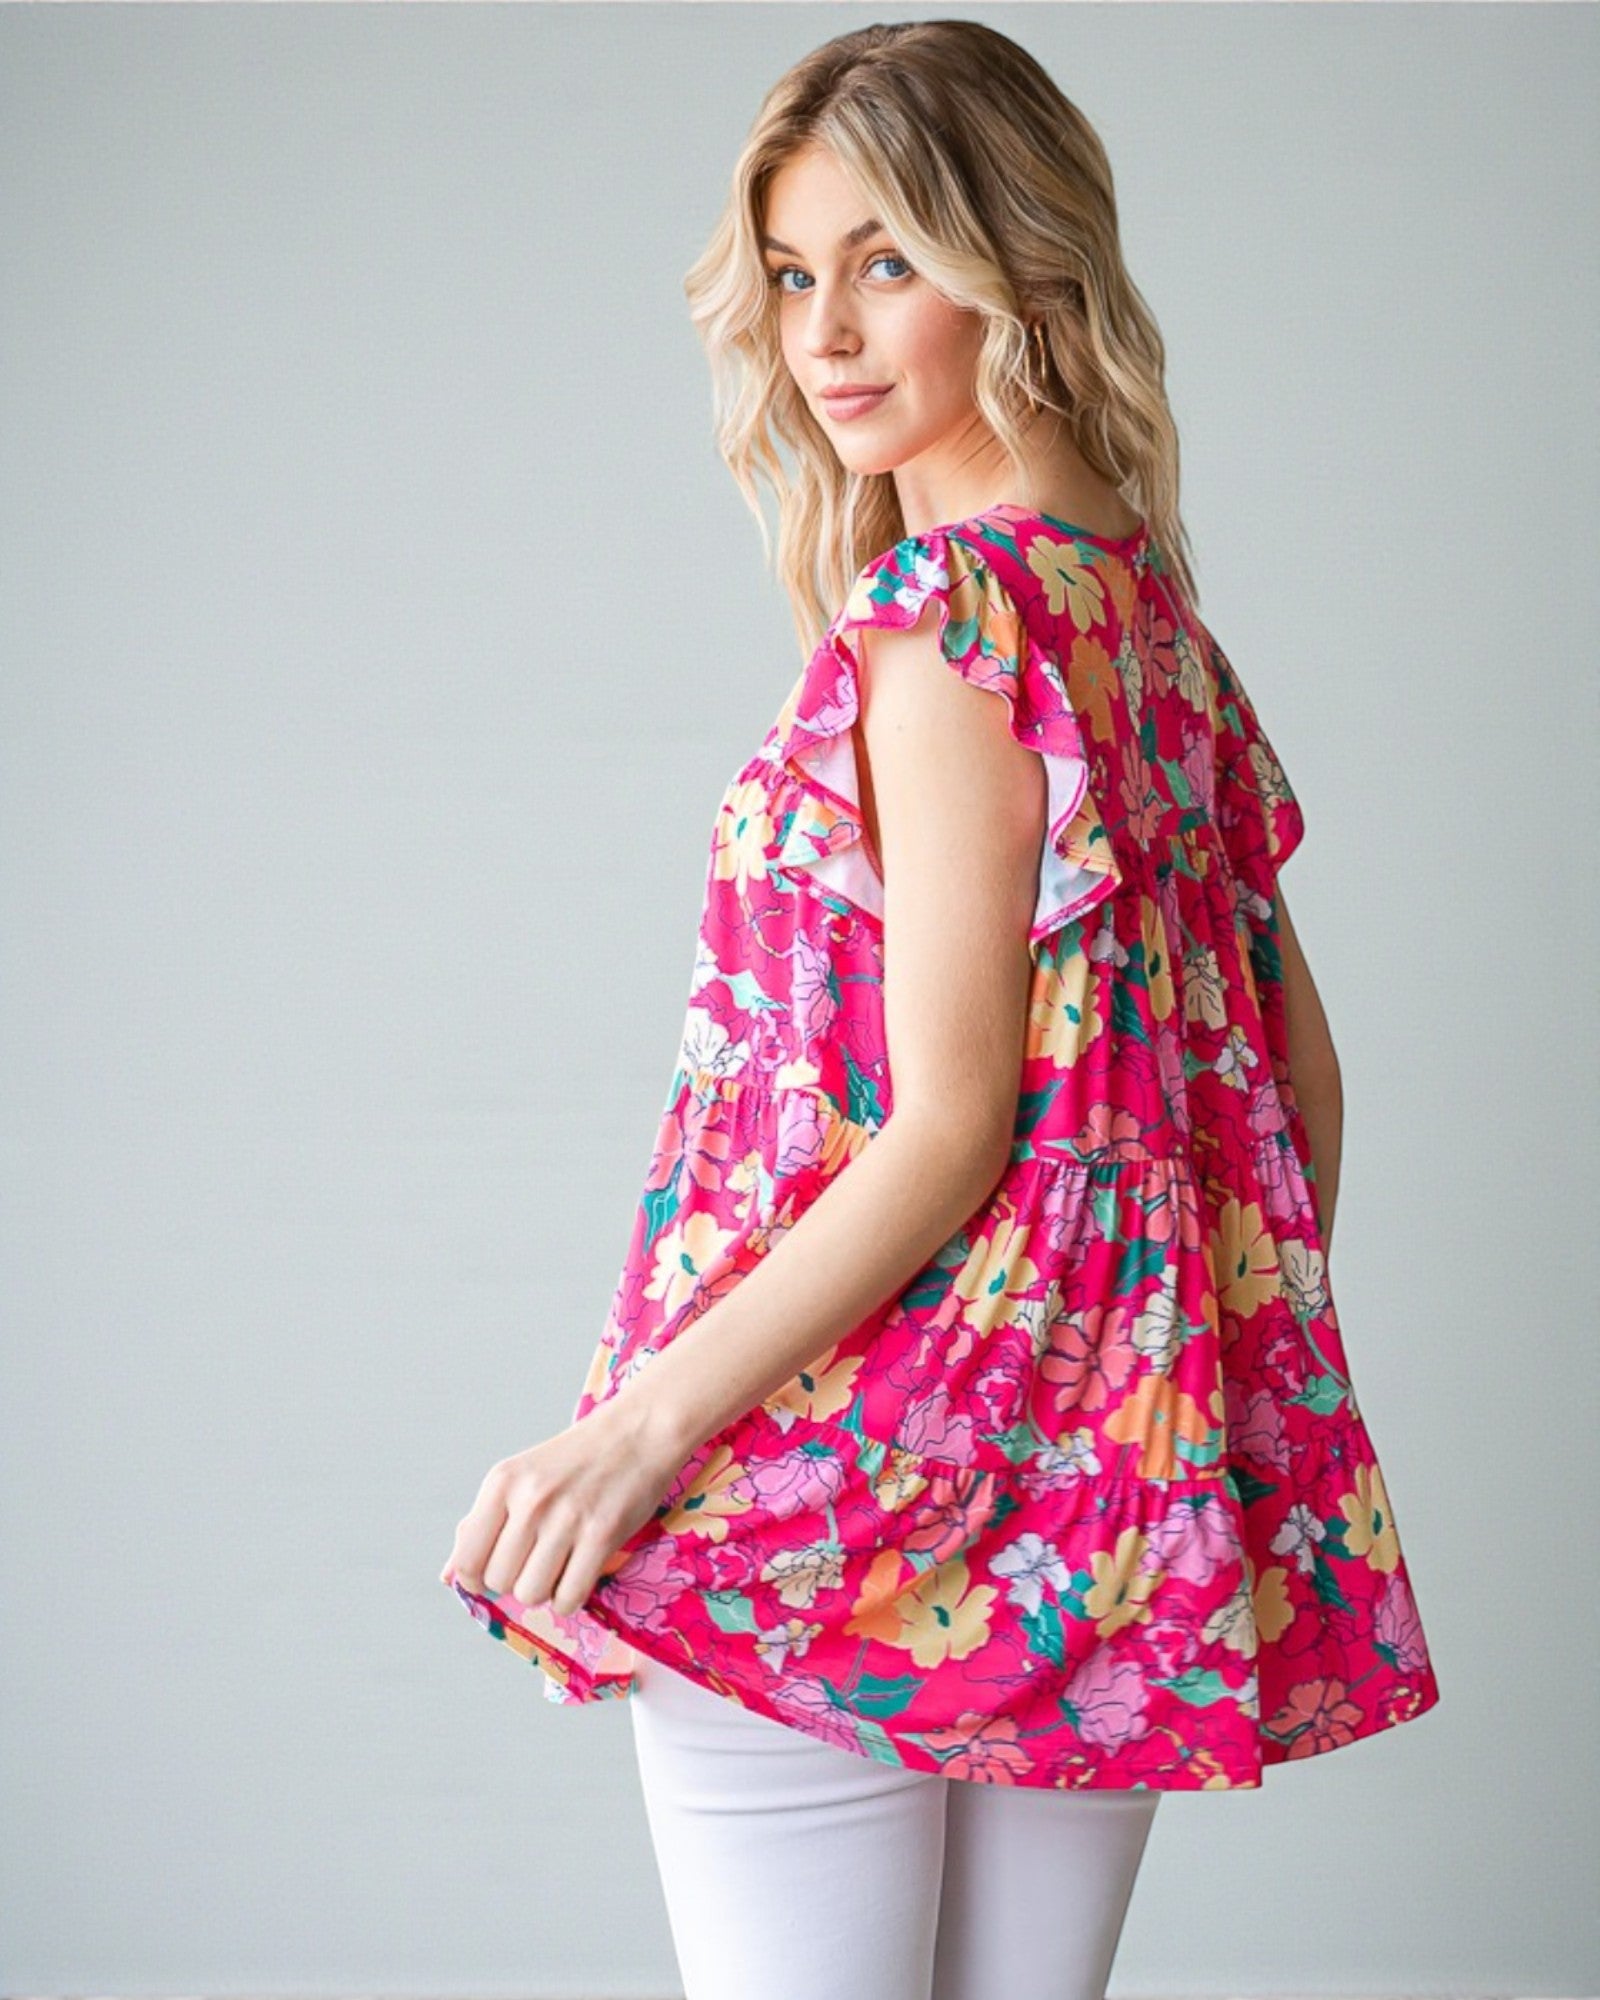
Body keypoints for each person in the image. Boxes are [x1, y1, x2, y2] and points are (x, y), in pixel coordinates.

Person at [440, 20, 1441, 1999]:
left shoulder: (942, 630)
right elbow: (1297, 1079)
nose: (821, 330)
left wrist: (638, 1433)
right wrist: (1135, 1403)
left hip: (843, 1468)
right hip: (1092, 1506)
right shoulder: (1151, 630)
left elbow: (948, 1123)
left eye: (886, 259)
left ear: (1023, 259)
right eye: (795, 272)